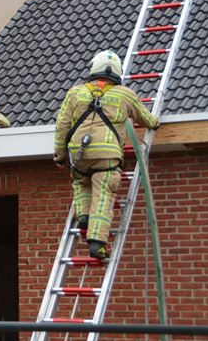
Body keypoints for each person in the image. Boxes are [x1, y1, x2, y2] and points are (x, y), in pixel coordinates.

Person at [53, 50, 159, 260]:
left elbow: (62, 126)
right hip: (107, 157)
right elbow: (147, 119)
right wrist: (156, 123)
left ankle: (83, 215)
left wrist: (60, 155)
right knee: (103, 197)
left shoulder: (75, 93)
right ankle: (97, 243)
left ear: (93, 68)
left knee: (81, 182)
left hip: (79, 155)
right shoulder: (124, 94)